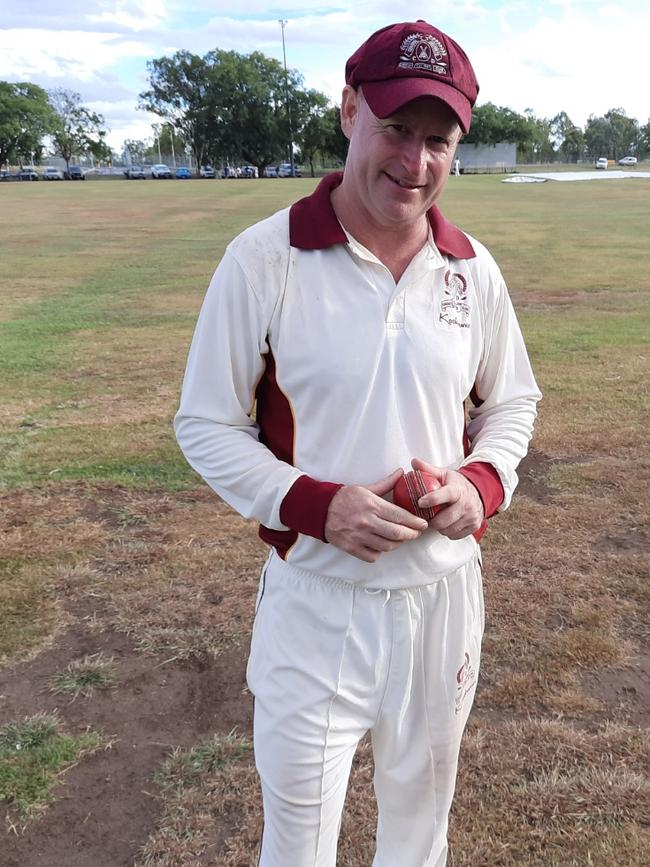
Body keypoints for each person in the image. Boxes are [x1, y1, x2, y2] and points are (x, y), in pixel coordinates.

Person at [174, 18, 541, 867]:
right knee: (298, 844)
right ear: (349, 112)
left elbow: (512, 400)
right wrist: (315, 506)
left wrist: (481, 485)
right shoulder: (266, 258)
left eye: (438, 140)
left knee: (419, 830)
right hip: (317, 602)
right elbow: (203, 421)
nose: (414, 163)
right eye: (396, 131)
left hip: (443, 603)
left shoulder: (471, 269)